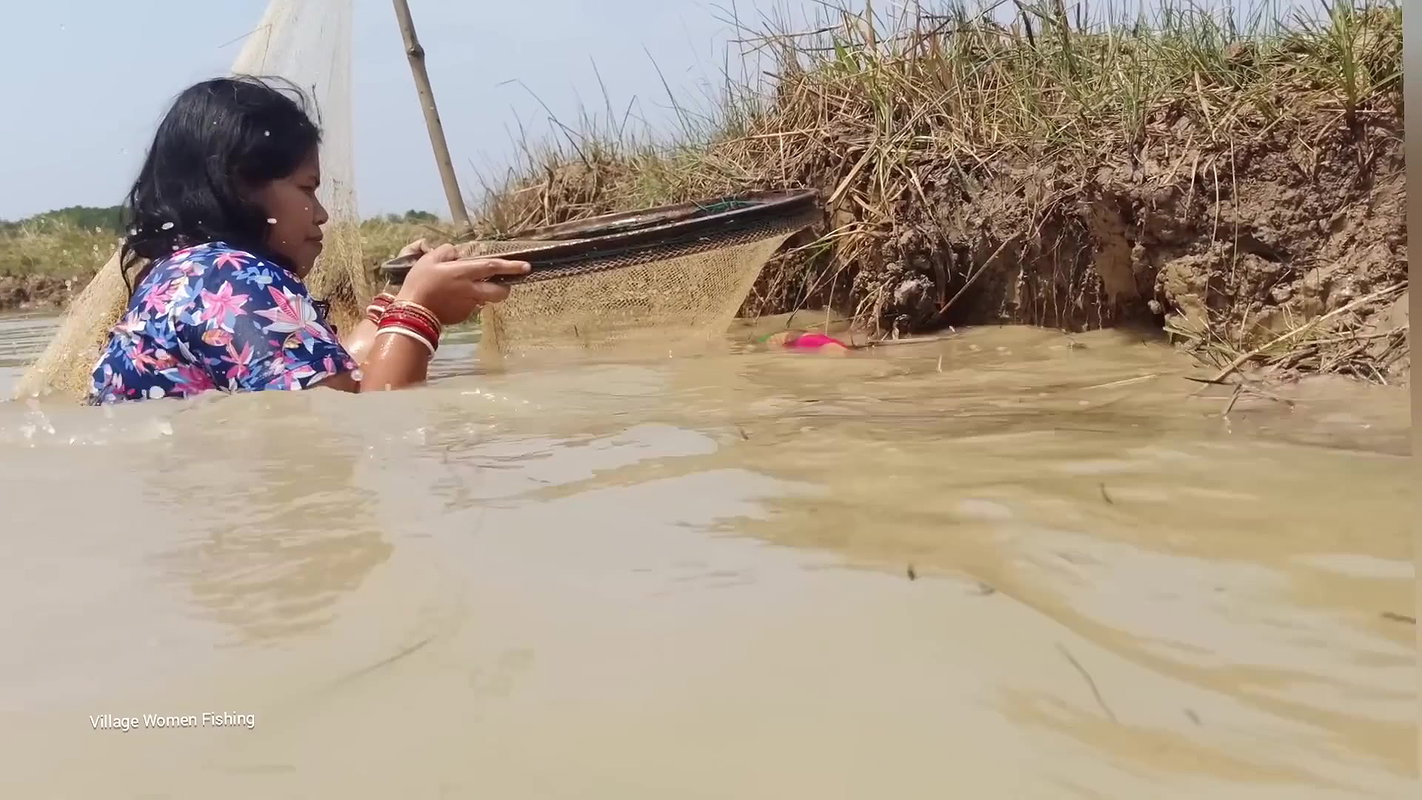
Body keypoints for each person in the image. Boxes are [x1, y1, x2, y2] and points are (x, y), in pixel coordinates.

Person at [88, 75, 528, 404]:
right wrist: (420, 310)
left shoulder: (184, 274)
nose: (321, 213)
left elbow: (336, 380)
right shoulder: (233, 280)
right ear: (239, 185)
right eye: (306, 189)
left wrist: (396, 302)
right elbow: (366, 426)